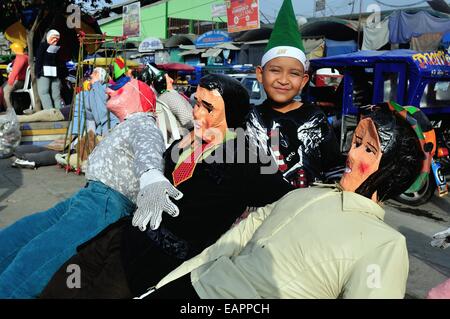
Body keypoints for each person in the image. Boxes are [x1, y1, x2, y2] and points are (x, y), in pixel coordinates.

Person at [137, 101, 432, 299]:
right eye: (356, 142)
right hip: (191, 287)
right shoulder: (304, 194)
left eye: (369, 150)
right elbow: (223, 247)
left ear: (395, 169)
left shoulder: (384, 244)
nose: (352, 155)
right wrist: (161, 287)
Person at [40, 74, 293, 299]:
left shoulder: (246, 157)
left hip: (153, 263)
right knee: (63, 284)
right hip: (123, 235)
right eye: (196, 103)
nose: (197, 113)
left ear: (233, 113)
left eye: (208, 108)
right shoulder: (188, 141)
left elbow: (288, 198)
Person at [0, 57, 176, 299]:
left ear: (140, 99)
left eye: (122, 89)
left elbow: (149, 151)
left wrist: (152, 178)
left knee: (39, 257)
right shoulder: (125, 125)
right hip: (89, 196)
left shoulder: (143, 123)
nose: (112, 89)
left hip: (106, 202)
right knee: (19, 235)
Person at [246, 0, 343, 188]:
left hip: (305, 211)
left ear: (304, 81)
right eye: (275, 70)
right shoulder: (251, 118)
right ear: (260, 74)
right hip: (260, 213)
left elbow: (334, 168)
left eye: (294, 73)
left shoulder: (315, 118)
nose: (283, 80)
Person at [35, 29, 64, 110]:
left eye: (57, 38)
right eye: (54, 37)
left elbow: (39, 60)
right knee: (51, 93)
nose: (55, 39)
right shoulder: (44, 46)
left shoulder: (56, 48)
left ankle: (54, 111)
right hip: (47, 73)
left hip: (49, 74)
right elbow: (39, 59)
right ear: (48, 37)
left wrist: (37, 72)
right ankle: (53, 111)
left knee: (49, 93)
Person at [3, 43, 29, 110]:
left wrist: (9, 82)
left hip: (19, 81)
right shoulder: (26, 56)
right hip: (23, 81)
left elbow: (15, 71)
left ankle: (9, 110)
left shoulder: (20, 58)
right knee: (2, 88)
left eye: (13, 49)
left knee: (4, 91)